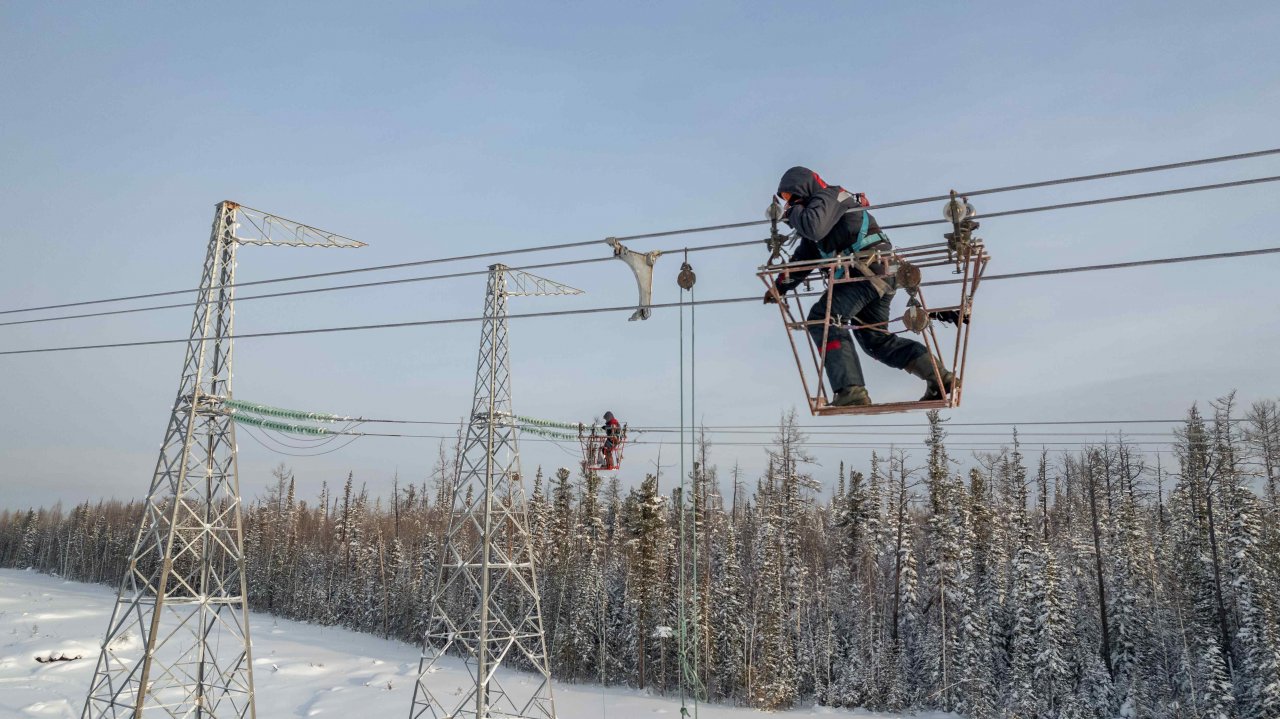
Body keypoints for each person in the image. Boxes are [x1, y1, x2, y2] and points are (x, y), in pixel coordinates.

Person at [764, 166, 953, 407]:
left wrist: (795, 212)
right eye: (787, 201)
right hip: (876, 276)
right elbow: (804, 258)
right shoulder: (821, 215)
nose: (790, 204)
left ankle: (850, 392)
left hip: (867, 273)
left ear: (803, 187)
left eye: (791, 197)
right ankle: (941, 380)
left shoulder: (829, 197)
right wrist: (780, 287)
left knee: (822, 318)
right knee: (875, 341)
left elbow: (812, 226)